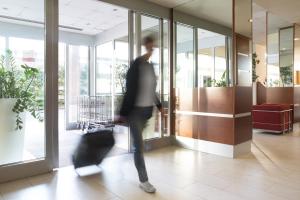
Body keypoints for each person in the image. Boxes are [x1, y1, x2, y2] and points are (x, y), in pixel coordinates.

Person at [118, 35, 162, 193]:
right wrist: (122, 113)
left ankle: (136, 153)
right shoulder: (135, 66)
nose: (152, 48)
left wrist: (160, 106)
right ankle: (144, 181)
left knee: (139, 145)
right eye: (149, 45)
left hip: (146, 112)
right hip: (134, 112)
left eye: (153, 46)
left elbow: (152, 90)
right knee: (139, 147)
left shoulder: (150, 67)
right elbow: (129, 91)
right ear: (145, 46)